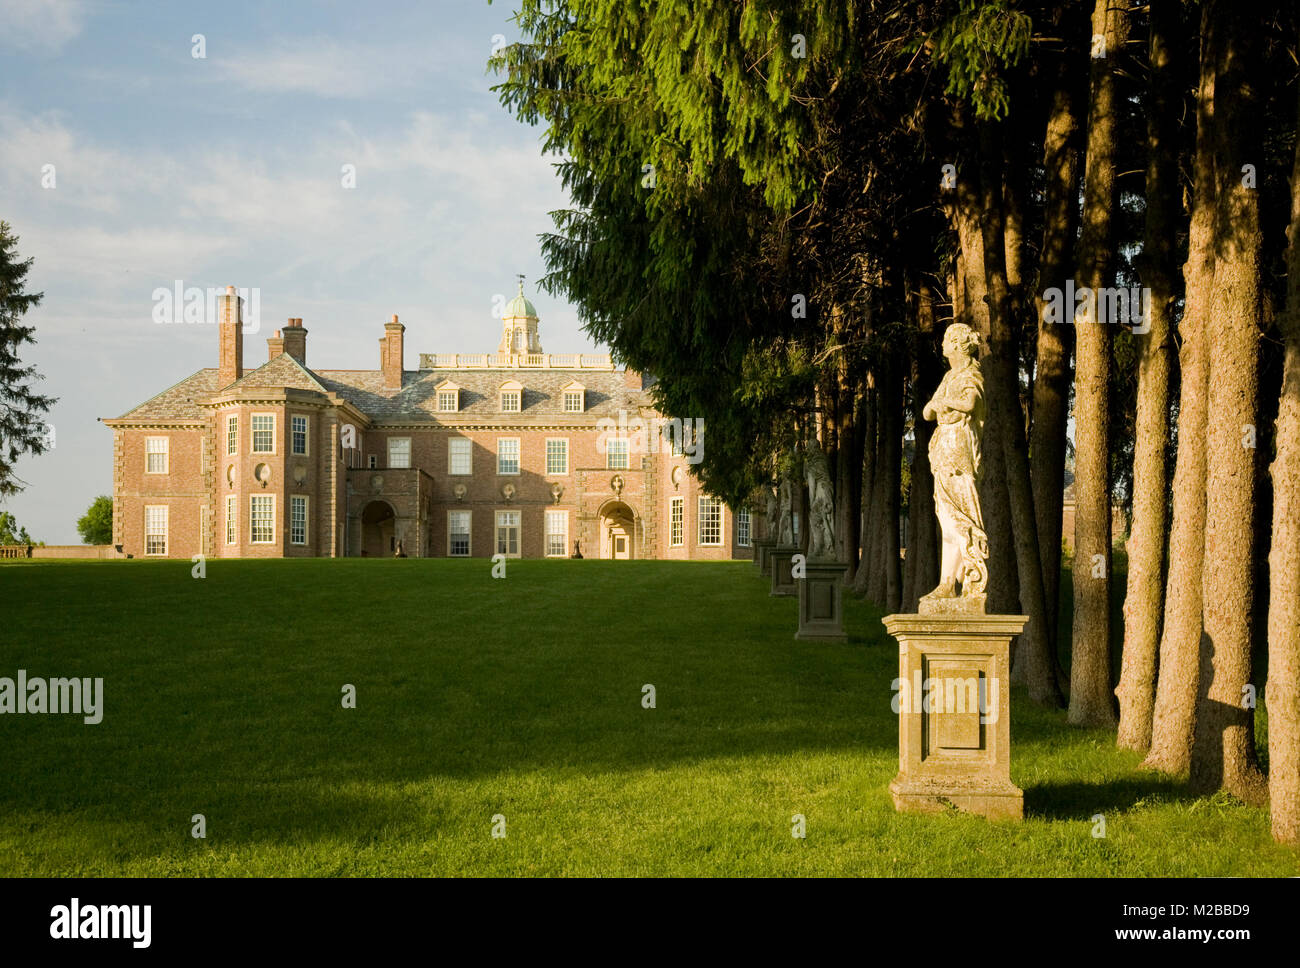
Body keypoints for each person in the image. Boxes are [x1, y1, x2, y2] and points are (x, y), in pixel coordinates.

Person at [920, 322, 988, 604]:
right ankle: (947, 583)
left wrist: (944, 403)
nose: (943, 345)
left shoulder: (971, 374)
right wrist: (940, 404)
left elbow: (970, 404)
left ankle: (970, 578)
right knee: (947, 519)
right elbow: (926, 413)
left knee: (961, 518)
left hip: (959, 449)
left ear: (959, 346)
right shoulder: (949, 377)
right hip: (943, 449)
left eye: (947, 341)